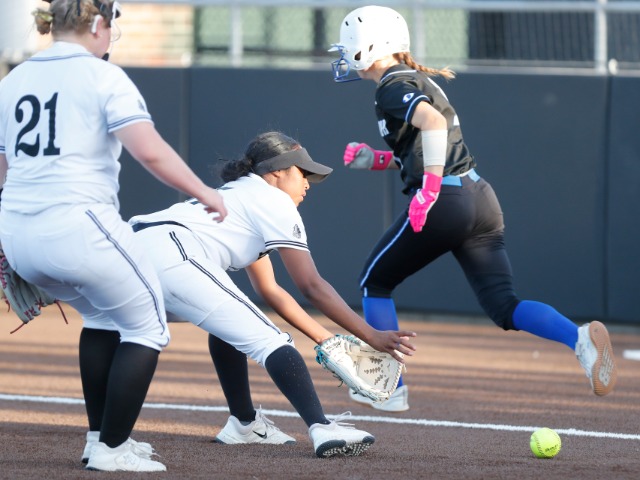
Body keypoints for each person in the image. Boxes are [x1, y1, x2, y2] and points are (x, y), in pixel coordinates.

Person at [328, 5, 618, 412]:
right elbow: (424, 149)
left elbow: (433, 125)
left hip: (446, 200)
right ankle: (579, 338)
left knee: (374, 282)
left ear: (370, 46)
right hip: (479, 197)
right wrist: (375, 159)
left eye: (348, 45)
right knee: (504, 305)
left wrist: (429, 190)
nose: (344, 54)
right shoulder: (412, 79)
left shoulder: (391, 85)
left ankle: (388, 387)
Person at [0, 0, 227, 472]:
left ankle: (98, 438)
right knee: (148, 327)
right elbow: (150, 152)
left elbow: (3, 166)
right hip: (79, 227)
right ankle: (112, 448)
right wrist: (203, 191)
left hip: (18, 231)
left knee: (103, 318)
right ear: (99, 23)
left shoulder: (14, 78)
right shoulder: (103, 75)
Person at [128, 131, 417, 457]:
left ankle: (241, 423)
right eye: (302, 173)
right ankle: (322, 427)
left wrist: (326, 339)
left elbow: (271, 290)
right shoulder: (273, 200)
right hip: (172, 251)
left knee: (223, 323)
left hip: (128, 251)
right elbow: (311, 285)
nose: (308, 184)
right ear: (277, 171)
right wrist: (370, 335)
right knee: (271, 340)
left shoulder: (242, 196)